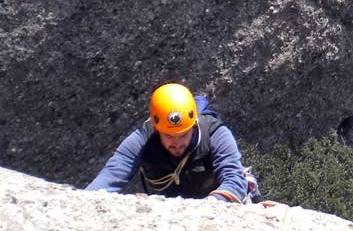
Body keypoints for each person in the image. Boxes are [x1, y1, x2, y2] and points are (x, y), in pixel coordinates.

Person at [86, 82, 252, 203]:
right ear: (157, 129)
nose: (177, 143)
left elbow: (234, 178)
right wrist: (83, 201)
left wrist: (212, 205)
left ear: (194, 125)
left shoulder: (215, 133)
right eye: (169, 136)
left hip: (215, 204)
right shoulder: (144, 138)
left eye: (183, 134)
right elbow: (110, 176)